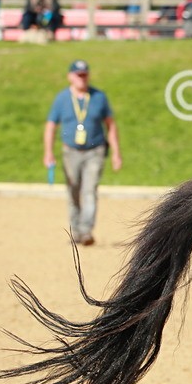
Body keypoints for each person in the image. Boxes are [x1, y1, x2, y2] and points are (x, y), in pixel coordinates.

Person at [44, 60, 122, 245]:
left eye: (85, 74)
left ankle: (86, 231)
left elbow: (110, 125)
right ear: (70, 77)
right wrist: (48, 152)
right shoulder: (62, 98)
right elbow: (51, 126)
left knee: (89, 190)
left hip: (95, 151)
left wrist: (117, 153)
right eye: (78, 75)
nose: (82, 78)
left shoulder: (98, 97)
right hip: (70, 152)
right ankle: (76, 230)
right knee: (73, 190)